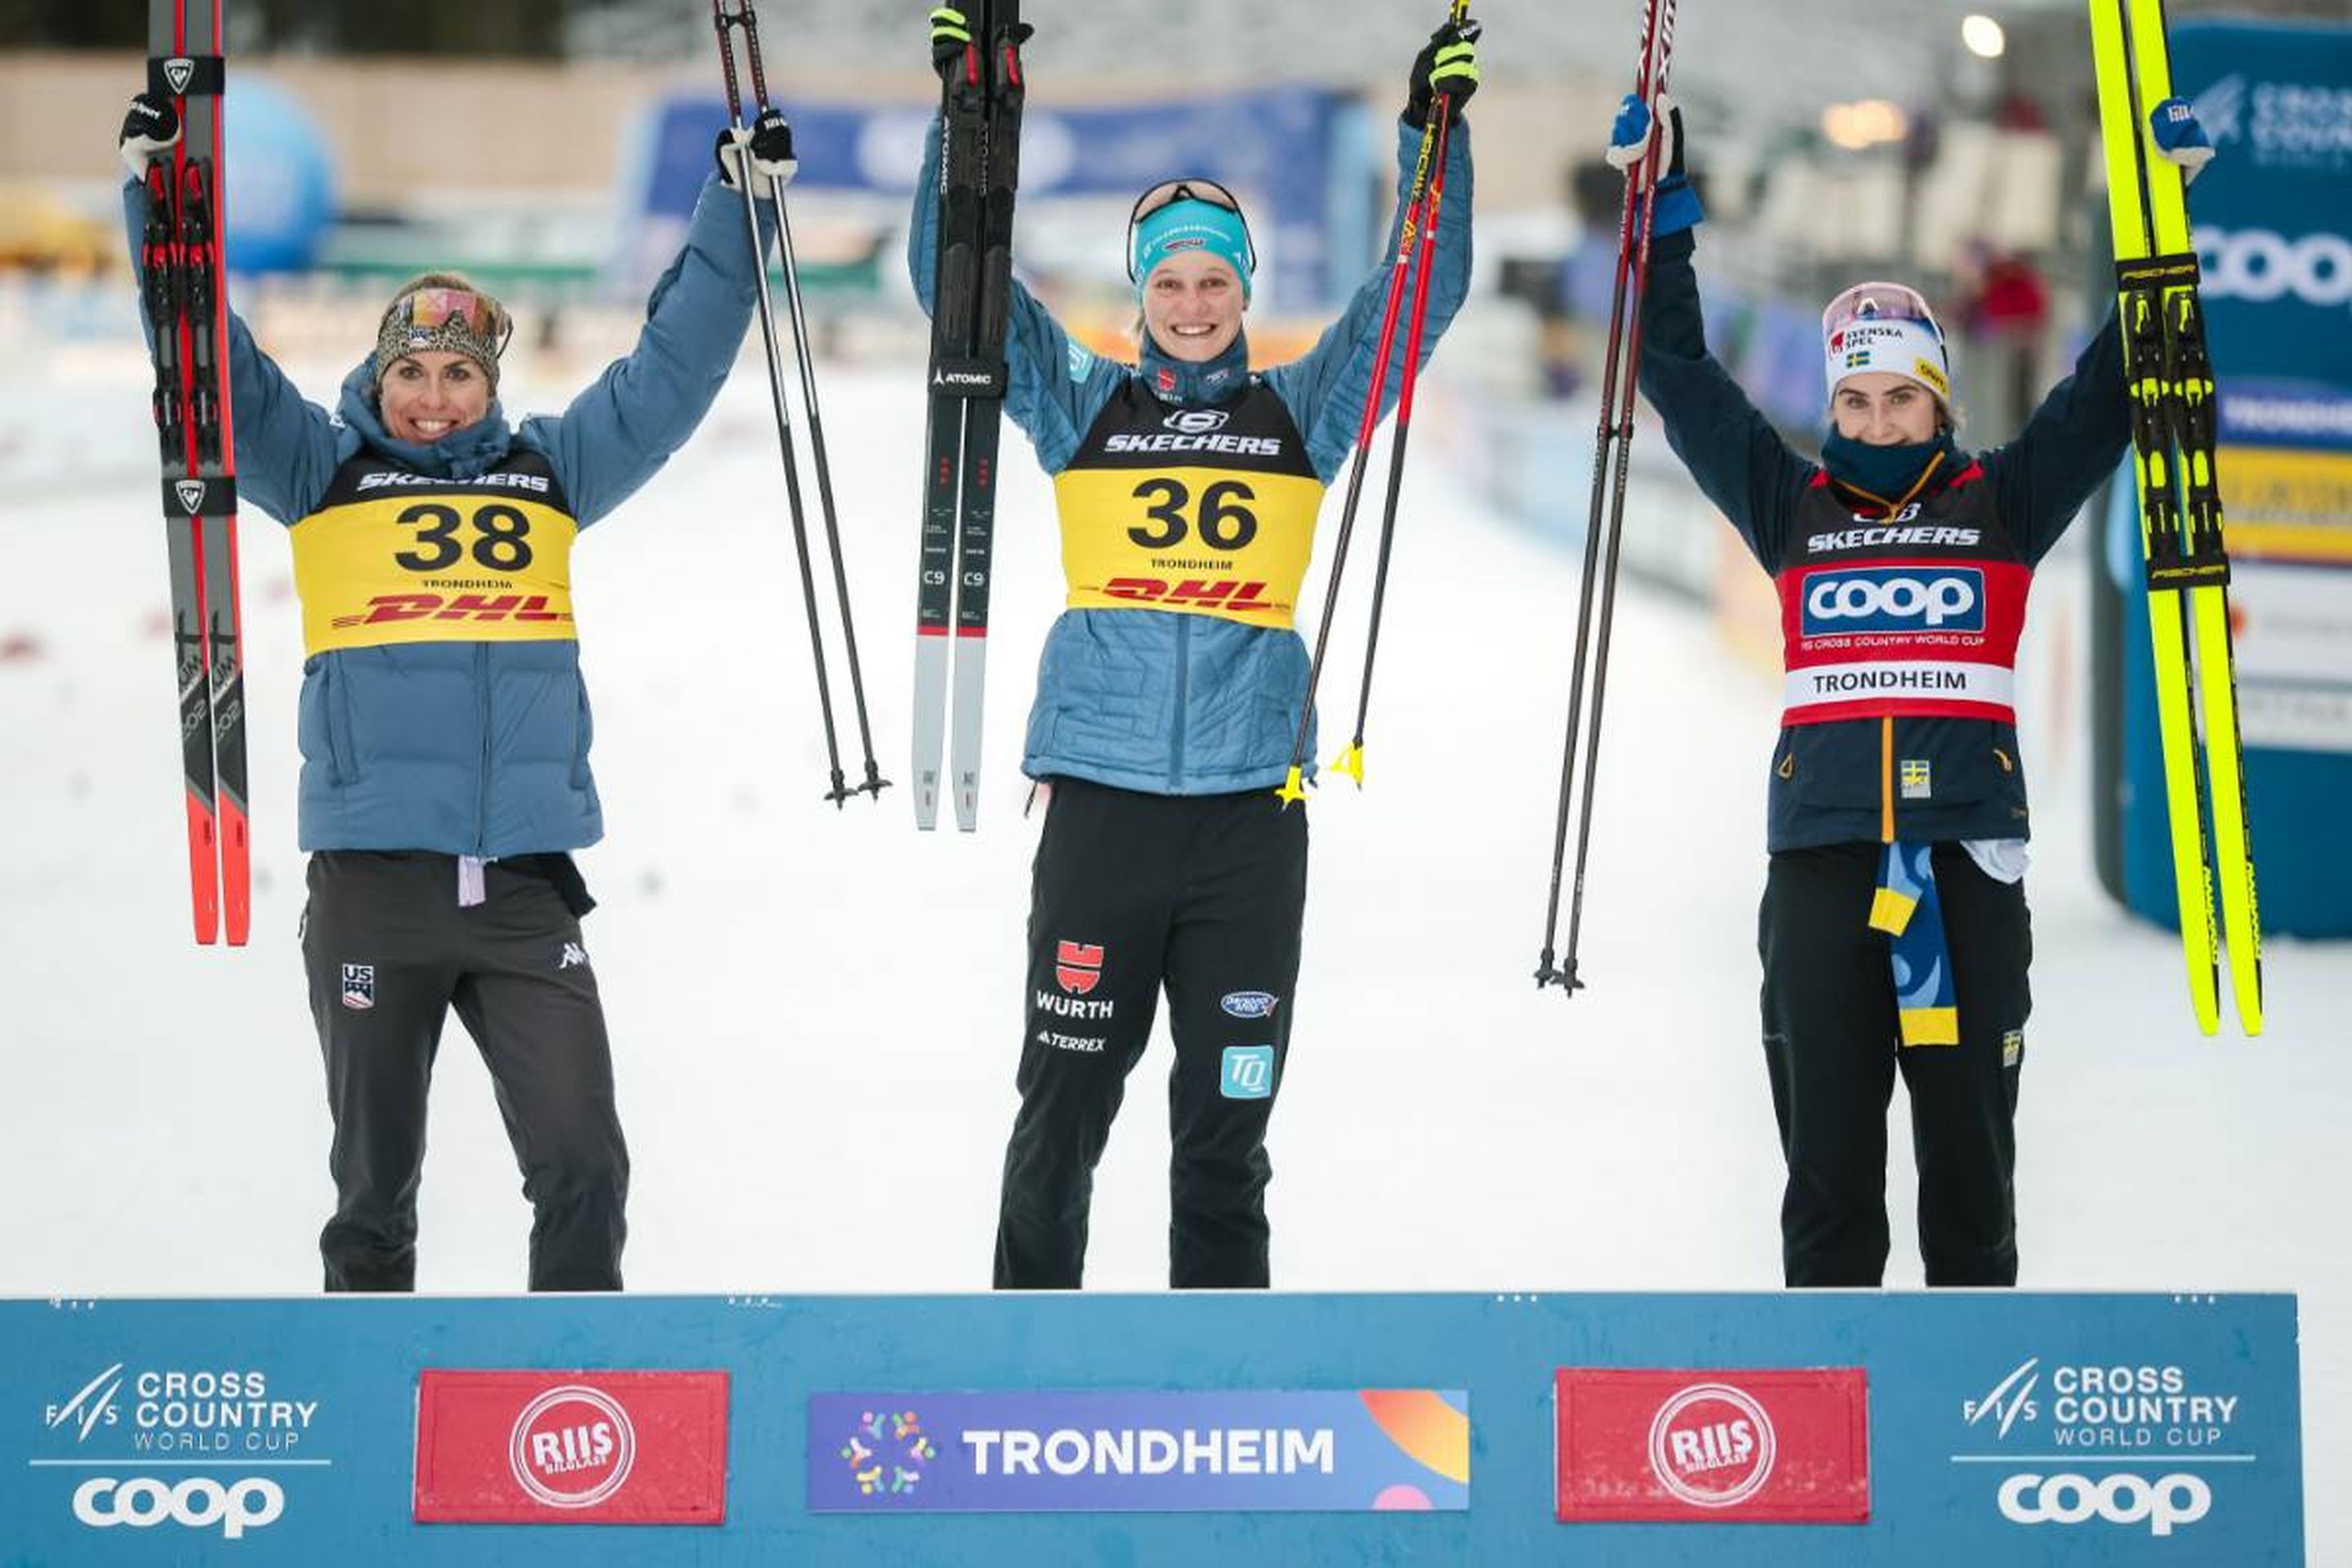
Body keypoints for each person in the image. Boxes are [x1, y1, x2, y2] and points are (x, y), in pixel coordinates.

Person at [118, 92, 795, 1291]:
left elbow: (674, 368)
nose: (432, 397)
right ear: (379, 378)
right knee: (374, 1196)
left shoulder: (552, 474)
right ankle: (375, 1407)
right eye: (412, 372)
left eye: (458, 376)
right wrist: (158, 202)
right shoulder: (321, 473)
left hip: (526, 895)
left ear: (492, 386)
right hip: (377, 887)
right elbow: (209, 361)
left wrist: (737, 206)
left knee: (585, 1164)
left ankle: (567, 1406)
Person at [911, 12, 1480, 1289]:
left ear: (1245, 290)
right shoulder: (1077, 405)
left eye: (1213, 280)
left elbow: (1419, 295)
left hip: (1246, 825)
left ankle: (1219, 1373)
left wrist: (1432, 142)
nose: (1190, 304)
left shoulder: (1305, 412)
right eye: (1167, 281)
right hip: (1105, 811)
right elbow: (952, 284)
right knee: (1061, 1121)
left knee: (1227, 1138)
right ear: (1139, 293)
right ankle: (1028, 1358)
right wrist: (968, 117)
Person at [1606, 95, 2211, 1286]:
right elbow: (1676, 371)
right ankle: (1834, 1420)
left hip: (1965, 866)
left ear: (1941, 403)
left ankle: (1963, 1417)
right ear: (1831, 408)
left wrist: (2164, 218)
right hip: (1824, 862)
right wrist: (1660, 201)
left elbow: (2111, 387)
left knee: (1972, 1175)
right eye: (1854, 402)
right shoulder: (1793, 508)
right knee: (1828, 1174)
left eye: (1900, 400)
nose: (1876, 422)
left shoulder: (2002, 502)